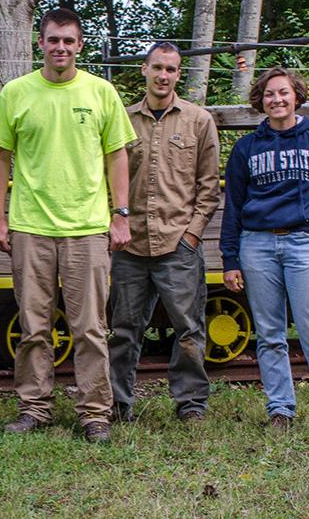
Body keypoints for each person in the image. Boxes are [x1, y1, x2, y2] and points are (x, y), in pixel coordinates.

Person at [0, 8, 135, 444]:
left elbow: (117, 156)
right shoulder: (16, 93)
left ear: (80, 45)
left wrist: (120, 214)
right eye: (54, 40)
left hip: (87, 227)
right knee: (33, 326)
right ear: (41, 42)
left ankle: (94, 413)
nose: (61, 48)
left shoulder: (101, 92)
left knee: (89, 326)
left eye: (69, 41)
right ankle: (35, 408)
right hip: (30, 226)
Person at [221, 67, 309, 437]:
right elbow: (233, 206)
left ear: (296, 95)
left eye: (283, 93)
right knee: (269, 334)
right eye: (270, 94)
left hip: (304, 242)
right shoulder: (247, 148)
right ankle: (280, 409)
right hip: (258, 244)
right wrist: (230, 259)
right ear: (261, 100)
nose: (277, 100)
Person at [108, 42, 220, 423]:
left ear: (178, 74)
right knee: (123, 331)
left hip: (178, 243)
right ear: (144, 70)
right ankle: (118, 404)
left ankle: (190, 404)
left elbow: (209, 185)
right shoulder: (121, 120)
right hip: (130, 245)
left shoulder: (198, 120)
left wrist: (193, 233)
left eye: (171, 70)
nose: (163, 76)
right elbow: (107, 178)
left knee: (189, 330)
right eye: (157, 68)